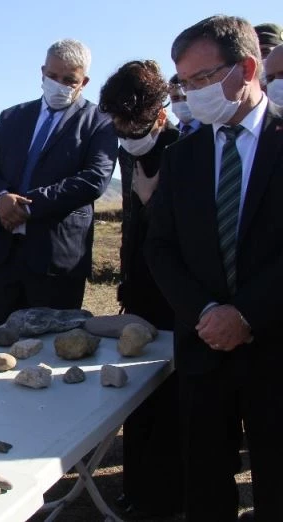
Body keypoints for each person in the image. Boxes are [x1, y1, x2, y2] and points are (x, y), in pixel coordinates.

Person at [146, 15, 283, 521]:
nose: (192, 93)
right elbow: (160, 248)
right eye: (183, 82)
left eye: (202, 79)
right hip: (203, 352)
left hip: (274, 349)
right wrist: (204, 311)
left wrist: (245, 314)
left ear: (247, 68)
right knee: (204, 488)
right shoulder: (183, 159)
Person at [0, 39, 118, 332]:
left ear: (84, 81)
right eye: (53, 76)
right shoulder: (12, 117)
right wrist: (1, 198)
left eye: (69, 80)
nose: (59, 84)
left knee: (50, 357)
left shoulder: (99, 122)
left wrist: (30, 205)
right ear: (42, 72)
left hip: (57, 261)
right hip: (4, 255)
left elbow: (95, 178)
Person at [97, 60, 183, 517]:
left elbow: (185, 234)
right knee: (136, 397)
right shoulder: (130, 151)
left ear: (160, 115)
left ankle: (163, 496)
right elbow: (130, 226)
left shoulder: (182, 151)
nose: (128, 135)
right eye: (119, 126)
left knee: (169, 398)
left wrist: (152, 202)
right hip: (139, 291)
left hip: (174, 297)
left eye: (136, 126)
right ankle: (135, 487)